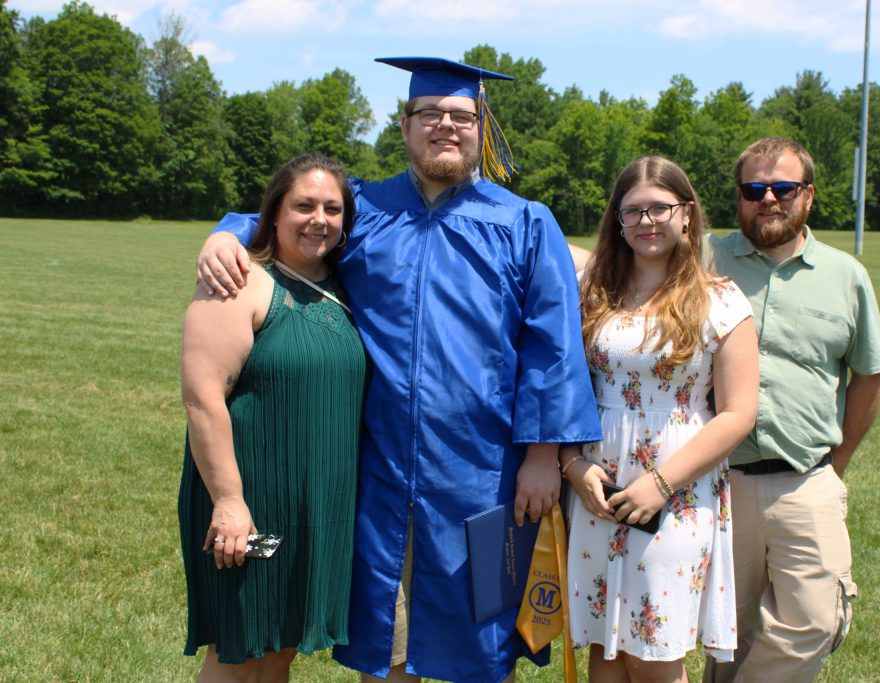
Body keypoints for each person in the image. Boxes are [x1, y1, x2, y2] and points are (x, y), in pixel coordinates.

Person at [194, 57, 601, 683]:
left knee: (486, 641)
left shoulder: (524, 222)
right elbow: (296, 219)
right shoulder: (364, 209)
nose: (446, 126)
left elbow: (552, 347)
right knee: (391, 642)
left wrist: (544, 454)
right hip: (382, 479)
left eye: (461, 116)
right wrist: (229, 231)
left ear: (482, 128)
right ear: (405, 124)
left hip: (488, 480)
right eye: (430, 114)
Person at [560, 156, 759, 683]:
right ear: (617, 221)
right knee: (605, 652)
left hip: (676, 492)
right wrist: (571, 465)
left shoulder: (721, 300)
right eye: (633, 211)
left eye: (660, 208)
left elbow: (739, 413)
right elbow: (562, 389)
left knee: (652, 653)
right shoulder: (589, 294)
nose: (647, 222)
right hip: (596, 491)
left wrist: (660, 482)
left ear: (687, 214)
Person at [700, 137, 880, 683]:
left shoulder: (845, 275)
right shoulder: (702, 260)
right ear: (738, 197)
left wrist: (840, 458)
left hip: (805, 481)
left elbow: (871, 371)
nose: (768, 199)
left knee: (814, 621)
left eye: (783, 188)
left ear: (808, 195)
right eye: (753, 189)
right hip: (717, 481)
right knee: (726, 635)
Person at [179, 152, 365, 681]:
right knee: (241, 650)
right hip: (251, 501)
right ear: (274, 213)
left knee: (279, 647)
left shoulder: (345, 287)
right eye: (303, 205)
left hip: (317, 503)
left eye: (333, 208)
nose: (319, 219)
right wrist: (230, 503)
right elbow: (202, 400)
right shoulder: (241, 282)